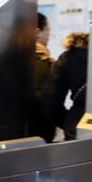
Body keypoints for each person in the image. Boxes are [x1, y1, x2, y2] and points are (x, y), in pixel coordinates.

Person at [30, 12, 56, 142]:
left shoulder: (9, 55)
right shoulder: (42, 61)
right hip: (37, 129)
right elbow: (45, 100)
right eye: (47, 30)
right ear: (37, 32)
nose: (49, 35)